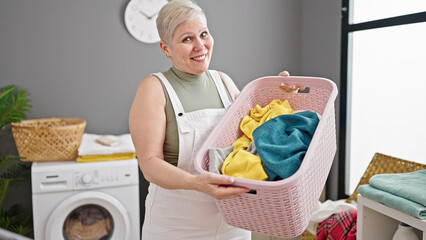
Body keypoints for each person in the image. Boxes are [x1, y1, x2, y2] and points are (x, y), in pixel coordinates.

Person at [129, 0, 296, 239]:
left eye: (204, 34)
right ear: (166, 48)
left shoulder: (223, 81)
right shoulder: (154, 89)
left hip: (233, 223)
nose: (200, 46)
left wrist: (279, 93)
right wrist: (196, 182)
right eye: (187, 39)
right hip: (175, 226)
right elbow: (150, 164)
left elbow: (252, 133)